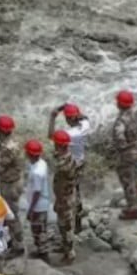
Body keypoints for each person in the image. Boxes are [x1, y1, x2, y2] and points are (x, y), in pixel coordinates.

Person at [50, 103, 92, 232]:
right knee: (76, 190)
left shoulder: (69, 134)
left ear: (68, 119)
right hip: (80, 163)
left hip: (69, 165)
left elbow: (51, 136)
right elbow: (85, 118)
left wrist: (52, 117)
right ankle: (78, 222)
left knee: (67, 193)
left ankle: (71, 224)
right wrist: (69, 108)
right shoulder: (85, 126)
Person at [114, 90, 137, 220]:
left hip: (126, 154)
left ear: (118, 104)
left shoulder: (121, 121)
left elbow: (119, 136)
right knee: (134, 179)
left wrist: (123, 146)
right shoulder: (136, 114)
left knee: (127, 181)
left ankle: (133, 209)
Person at [0, 115, 25, 254]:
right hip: (17, 180)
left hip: (10, 184)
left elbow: (0, 167)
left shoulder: (7, 148)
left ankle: (18, 245)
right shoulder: (15, 141)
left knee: (12, 215)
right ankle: (15, 239)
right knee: (13, 212)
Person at [51, 130, 79, 264]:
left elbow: (60, 185)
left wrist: (58, 201)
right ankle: (65, 247)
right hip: (68, 196)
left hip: (65, 199)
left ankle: (70, 254)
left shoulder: (62, 165)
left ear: (58, 146)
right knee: (63, 225)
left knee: (66, 226)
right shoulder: (69, 157)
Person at [23, 139, 52, 260]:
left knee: (38, 230)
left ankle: (43, 254)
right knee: (41, 228)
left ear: (29, 154)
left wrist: (31, 210)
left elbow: (37, 192)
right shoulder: (42, 163)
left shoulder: (37, 173)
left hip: (38, 205)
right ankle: (42, 250)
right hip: (43, 202)